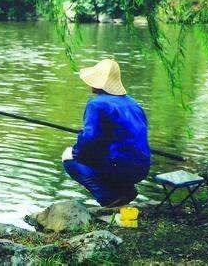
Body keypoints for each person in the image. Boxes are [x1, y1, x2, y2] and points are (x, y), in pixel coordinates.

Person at [62, 59, 151, 207]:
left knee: (69, 159)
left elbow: (89, 141)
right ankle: (127, 189)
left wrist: (76, 151)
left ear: (98, 83)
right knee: (108, 155)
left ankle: (108, 197)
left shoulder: (96, 104)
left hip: (120, 167)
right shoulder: (133, 103)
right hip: (142, 168)